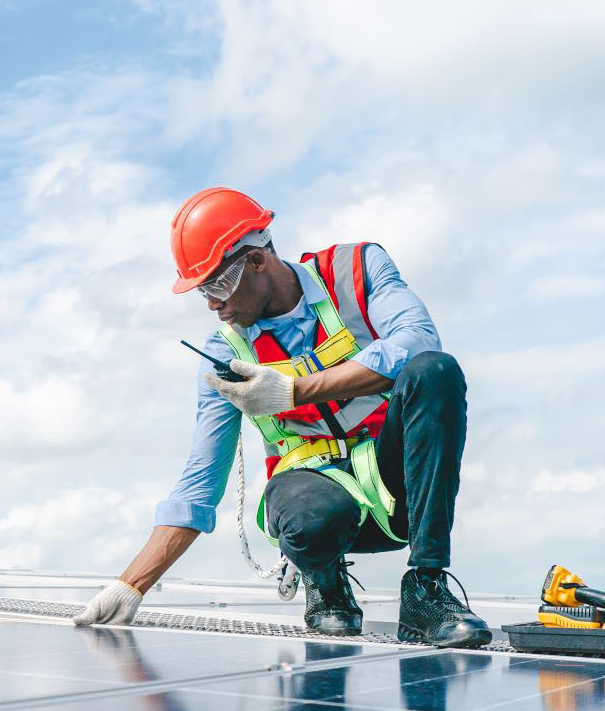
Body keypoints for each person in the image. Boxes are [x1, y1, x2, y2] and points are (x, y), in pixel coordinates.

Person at [72, 187, 491, 647]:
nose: (212, 304)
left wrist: (293, 390)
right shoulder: (222, 356)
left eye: (216, 284)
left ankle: (426, 589)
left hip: (397, 494)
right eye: (202, 292)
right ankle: (327, 588)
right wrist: (131, 584)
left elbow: (420, 341)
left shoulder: (358, 271)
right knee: (309, 518)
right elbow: (201, 480)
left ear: (256, 261)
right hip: (315, 509)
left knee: (435, 372)